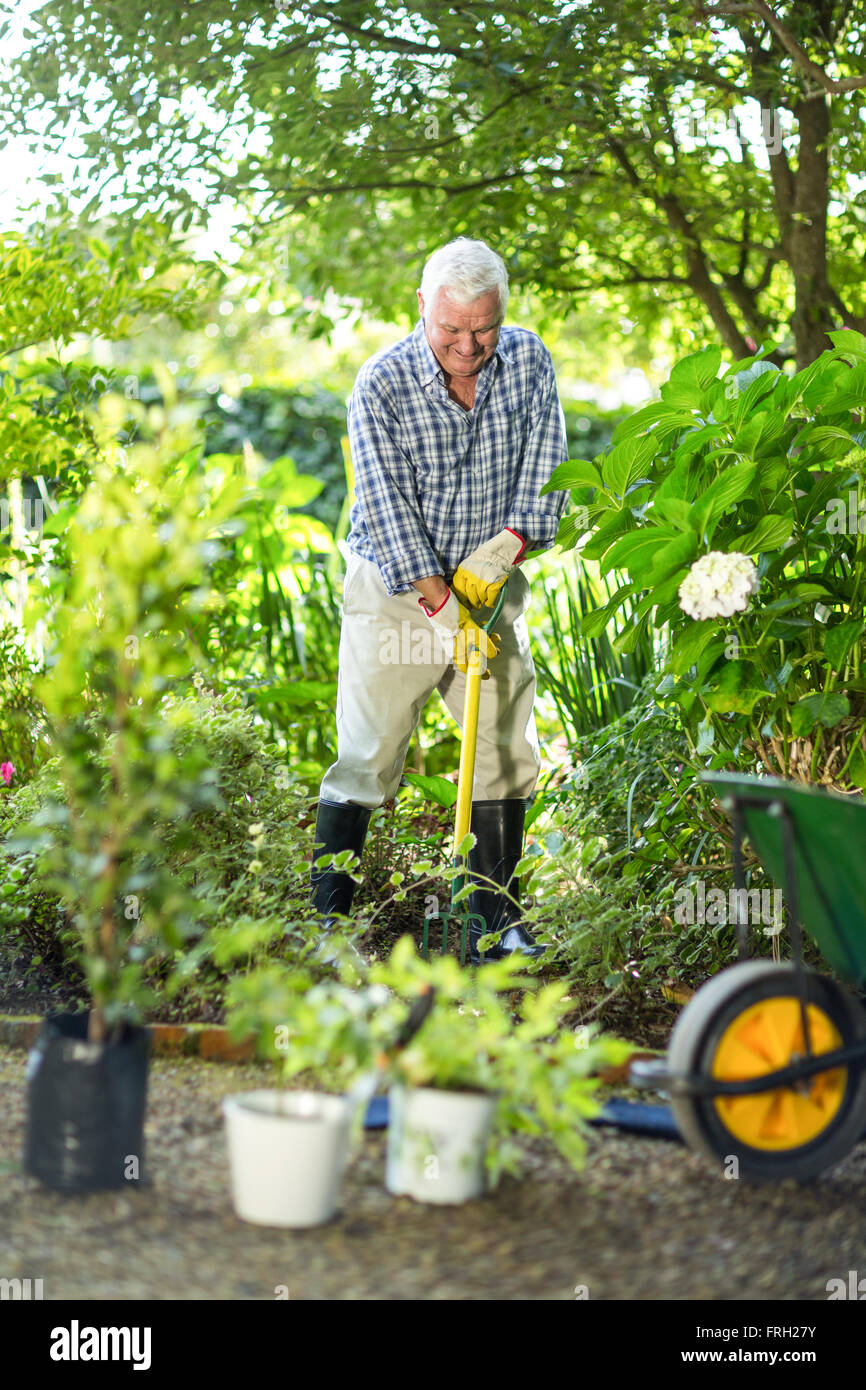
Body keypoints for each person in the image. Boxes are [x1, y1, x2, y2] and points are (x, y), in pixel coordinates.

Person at [311, 237, 570, 963]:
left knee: (503, 749)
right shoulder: (381, 383)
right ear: (422, 307)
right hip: (397, 592)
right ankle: (331, 929)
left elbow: (545, 476)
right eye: (450, 329)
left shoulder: (527, 361)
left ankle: (498, 922)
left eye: (482, 328)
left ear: (503, 312)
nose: (467, 346)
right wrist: (442, 607)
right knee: (369, 752)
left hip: (489, 584)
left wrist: (503, 553)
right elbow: (389, 512)